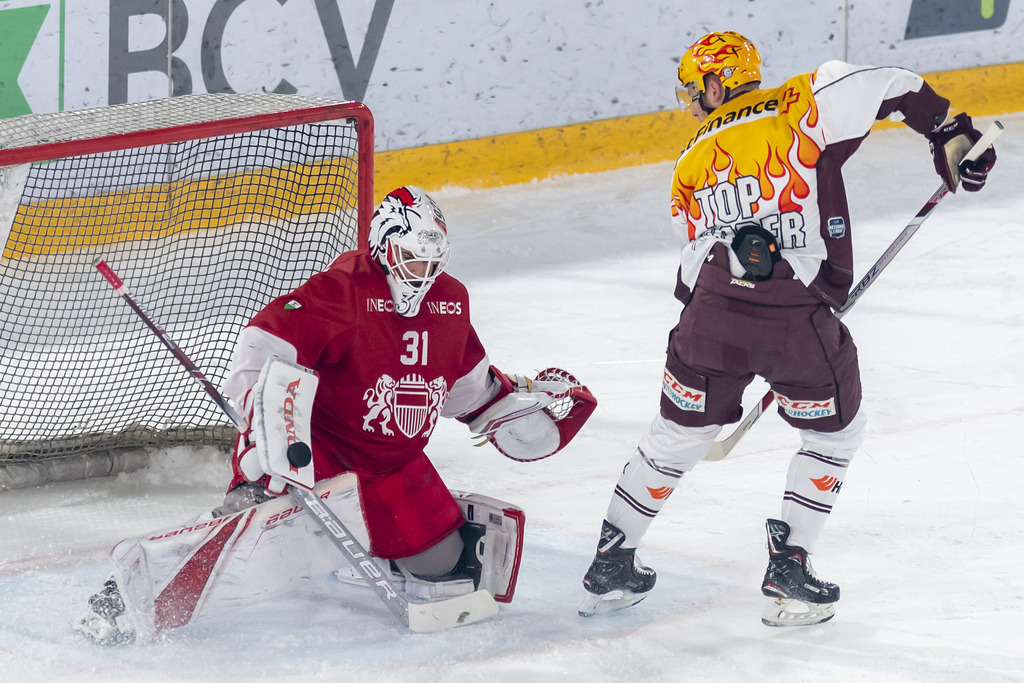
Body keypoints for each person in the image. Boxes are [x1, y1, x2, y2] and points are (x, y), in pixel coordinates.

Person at [578, 31, 997, 626]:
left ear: (717, 83)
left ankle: (611, 561)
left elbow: (688, 277)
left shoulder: (688, 160)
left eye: (694, 91)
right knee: (832, 437)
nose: (691, 104)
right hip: (791, 316)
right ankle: (789, 566)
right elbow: (898, 86)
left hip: (705, 320)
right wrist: (949, 133)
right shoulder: (803, 99)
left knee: (674, 436)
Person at [75, 186, 596, 644]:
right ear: (386, 250)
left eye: (435, 263)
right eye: (415, 261)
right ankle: (122, 597)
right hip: (317, 451)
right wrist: (267, 428)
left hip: (393, 467)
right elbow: (265, 342)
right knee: (246, 531)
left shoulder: (450, 302)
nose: (427, 274)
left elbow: (466, 387)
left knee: (448, 569)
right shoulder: (343, 290)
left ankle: (367, 549)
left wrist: (517, 408)